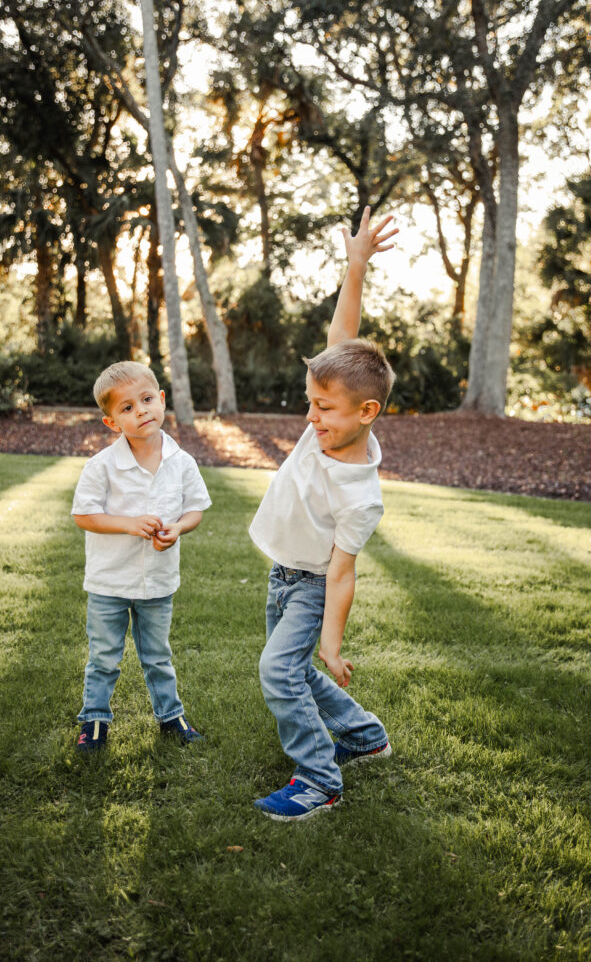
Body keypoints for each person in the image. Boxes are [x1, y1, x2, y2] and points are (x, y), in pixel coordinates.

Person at [249, 206, 398, 820]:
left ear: (366, 413)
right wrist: (355, 266)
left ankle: (319, 779)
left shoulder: (359, 493)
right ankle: (364, 735)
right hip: (283, 572)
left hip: (311, 583)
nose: (310, 419)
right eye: (310, 404)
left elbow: (342, 573)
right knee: (288, 671)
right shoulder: (329, 422)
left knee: (280, 674)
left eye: (324, 410)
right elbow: (344, 336)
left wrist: (332, 642)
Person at [71, 361, 211, 753]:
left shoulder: (181, 462)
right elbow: (84, 515)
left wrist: (178, 529)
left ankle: (171, 717)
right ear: (112, 422)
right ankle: (94, 720)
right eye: (127, 408)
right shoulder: (102, 466)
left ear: (162, 399)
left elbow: (196, 509)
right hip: (109, 582)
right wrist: (128, 524)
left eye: (147, 400)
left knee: (157, 656)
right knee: (103, 658)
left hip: (158, 581)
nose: (141, 411)